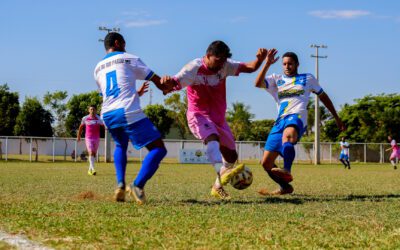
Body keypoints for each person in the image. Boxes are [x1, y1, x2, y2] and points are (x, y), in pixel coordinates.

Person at [161, 41, 267, 200]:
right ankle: (220, 169)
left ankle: (217, 187)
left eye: (224, 61)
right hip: (198, 115)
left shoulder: (225, 65)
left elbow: (250, 67)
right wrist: (166, 82)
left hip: (218, 119)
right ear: (208, 55)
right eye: (218, 61)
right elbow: (169, 87)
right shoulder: (192, 69)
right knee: (212, 139)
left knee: (231, 156)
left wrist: (259, 60)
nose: (221, 65)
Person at [94, 32, 173, 204]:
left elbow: (111, 93)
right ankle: (137, 185)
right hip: (126, 110)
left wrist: (135, 94)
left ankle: (120, 185)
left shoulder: (98, 68)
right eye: (124, 43)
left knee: (121, 145)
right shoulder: (129, 58)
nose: (125, 46)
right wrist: (166, 88)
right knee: (158, 148)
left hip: (107, 113)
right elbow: (156, 80)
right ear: (117, 43)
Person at [255, 49, 345, 195]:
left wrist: (336, 117)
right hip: (280, 121)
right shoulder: (276, 79)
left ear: (297, 64)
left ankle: (287, 170)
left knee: (288, 135)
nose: (287, 66)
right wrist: (267, 64)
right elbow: (257, 83)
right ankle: (285, 186)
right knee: (266, 163)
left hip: (297, 117)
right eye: (284, 64)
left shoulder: (307, 78)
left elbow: (323, 96)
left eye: (290, 63)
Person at [77, 105, 104, 175]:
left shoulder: (99, 119)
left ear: (96, 110)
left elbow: (104, 126)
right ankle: (93, 169)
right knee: (91, 152)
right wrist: (78, 136)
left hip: (97, 138)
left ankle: (90, 169)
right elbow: (81, 127)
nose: (92, 111)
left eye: (94, 109)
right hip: (88, 138)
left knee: (94, 154)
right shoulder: (85, 118)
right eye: (91, 109)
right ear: (89, 110)